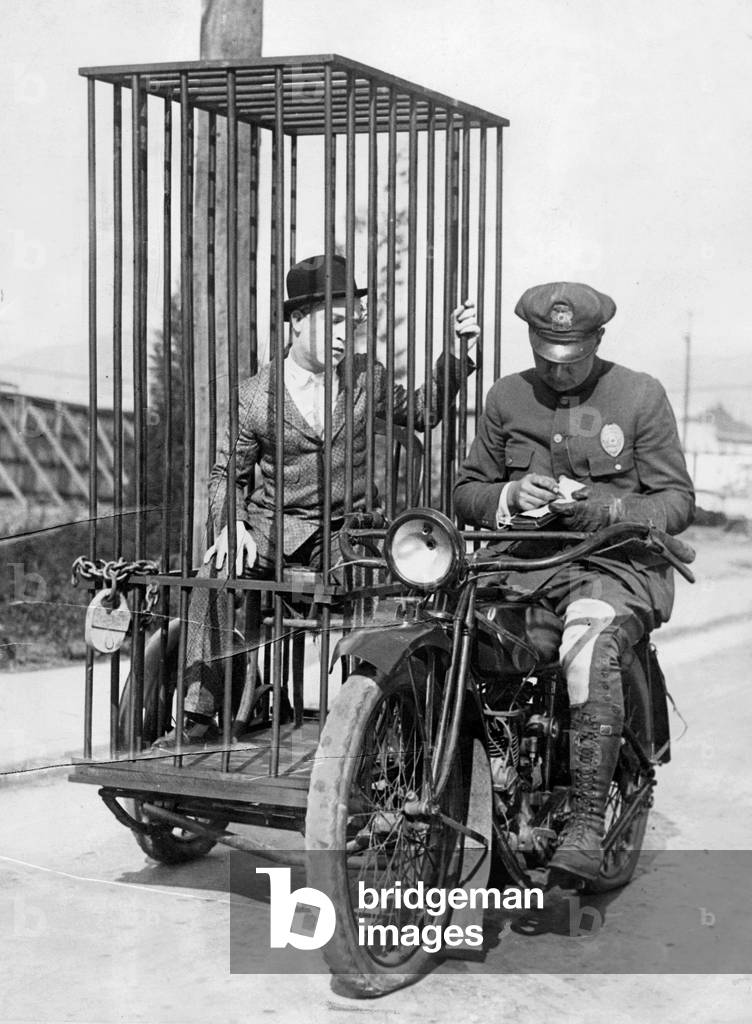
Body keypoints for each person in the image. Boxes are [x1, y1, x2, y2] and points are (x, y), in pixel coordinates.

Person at [157, 253, 479, 747]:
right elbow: (226, 474)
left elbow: (423, 411)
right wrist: (230, 525)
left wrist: (458, 355)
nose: (342, 338)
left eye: (350, 325)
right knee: (212, 573)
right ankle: (199, 716)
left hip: (342, 529)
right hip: (271, 526)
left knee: (374, 582)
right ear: (296, 321)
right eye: (332, 323)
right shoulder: (254, 396)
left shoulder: (364, 377)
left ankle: (373, 713)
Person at [454, 281, 694, 882]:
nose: (558, 373)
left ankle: (586, 824)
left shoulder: (639, 395)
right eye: (545, 356)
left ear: (597, 340)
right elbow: (466, 490)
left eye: (572, 358)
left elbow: (676, 501)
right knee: (460, 633)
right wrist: (508, 494)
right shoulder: (507, 396)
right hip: (527, 570)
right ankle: (486, 783)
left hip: (615, 567)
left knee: (586, 648)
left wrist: (603, 509)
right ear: (533, 340)